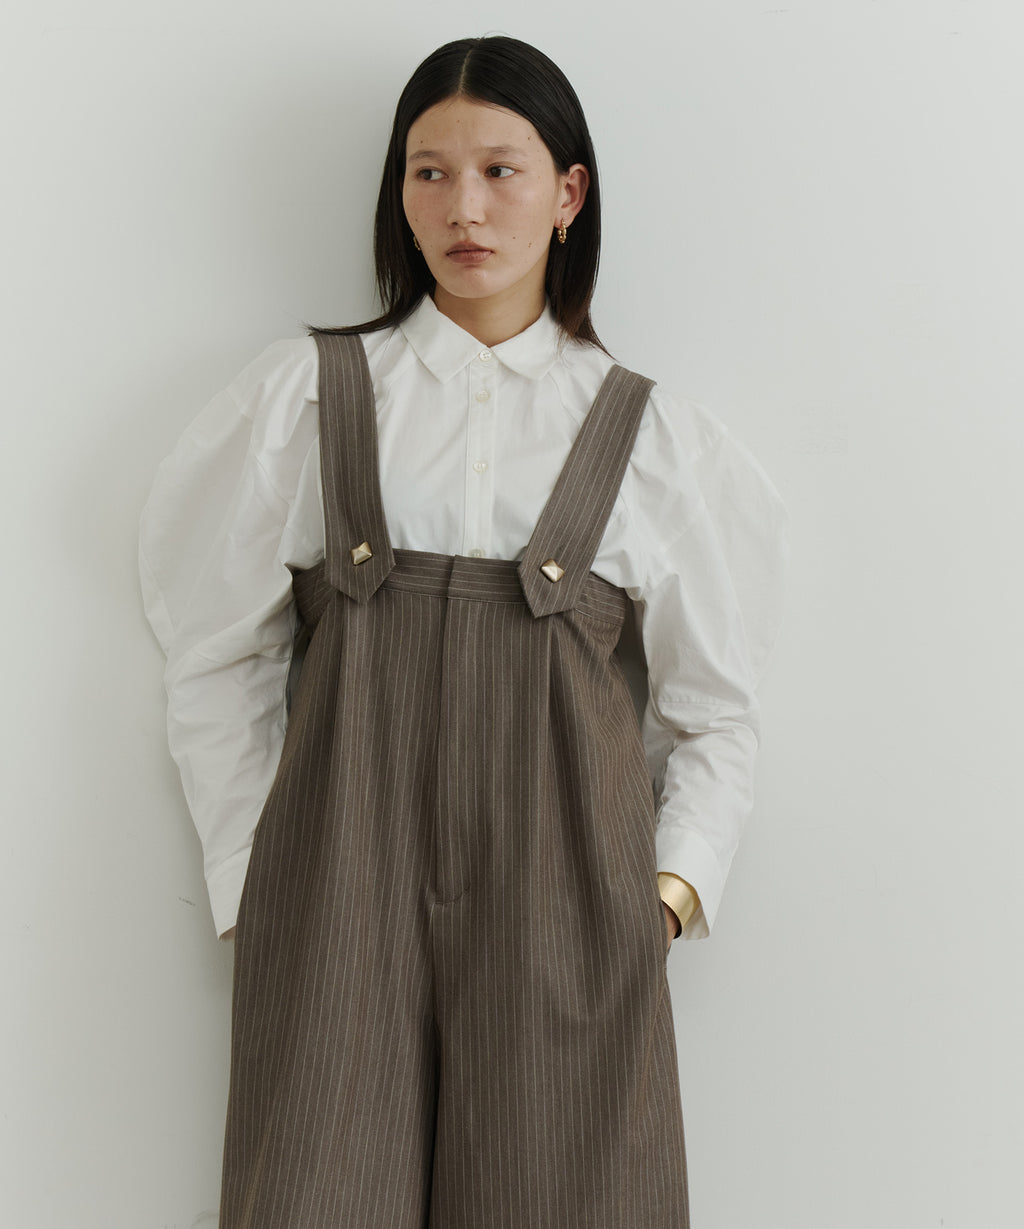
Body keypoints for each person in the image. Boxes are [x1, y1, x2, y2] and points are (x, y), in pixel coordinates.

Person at [139, 34, 787, 1229]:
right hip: (337, 891)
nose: (464, 208)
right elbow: (215, 656)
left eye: (500, 170)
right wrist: (258, 880)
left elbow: (714, 712)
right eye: (429, 172)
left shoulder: (651, 438)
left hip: (567, 908)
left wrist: (656, 899)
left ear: (569, 192)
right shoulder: (308, 397)